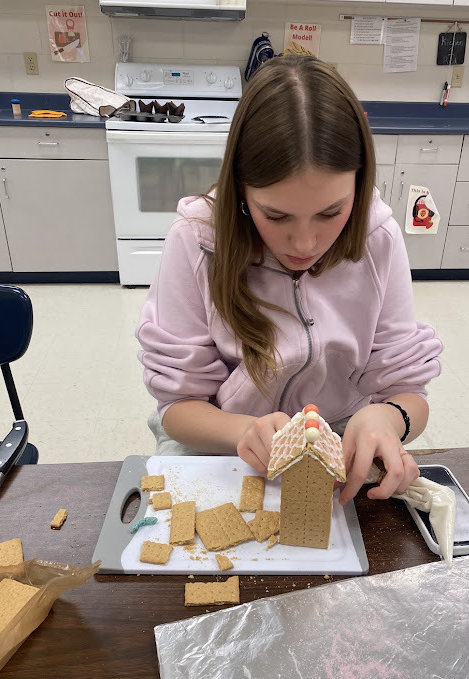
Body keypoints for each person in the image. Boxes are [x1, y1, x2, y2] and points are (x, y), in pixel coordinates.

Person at [136, 55, 443, 504]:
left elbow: (407, 391)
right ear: (242, 191)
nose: (304, 243)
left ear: (359, 185)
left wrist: (387, 418)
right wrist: (244, 430)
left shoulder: (378, 237)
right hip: (220, 437)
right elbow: (178, 408)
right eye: (276, 216)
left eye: (331, 212)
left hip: (338, 432)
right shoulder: (197, 239)